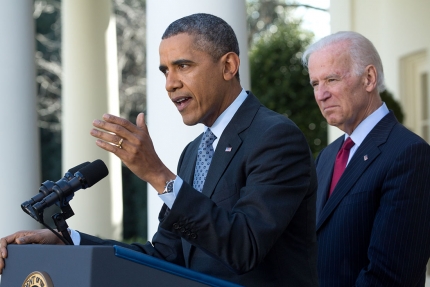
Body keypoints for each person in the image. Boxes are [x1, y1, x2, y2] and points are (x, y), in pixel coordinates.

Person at [0, 13, 318, 286]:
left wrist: (157, 174)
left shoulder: (276, 138)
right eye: (165, 70)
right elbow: (164, 256)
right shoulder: (195, 151)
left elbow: (244, 247)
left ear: (229, 65)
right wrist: (69, 242)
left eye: (183, 65)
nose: (170, 83)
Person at [301, 31, 430, 287]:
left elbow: (390, 276)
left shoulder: (410, 154)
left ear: (369, 78)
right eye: (315, 83)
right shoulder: (327, 156)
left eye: (331, 79)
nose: (321, 94)